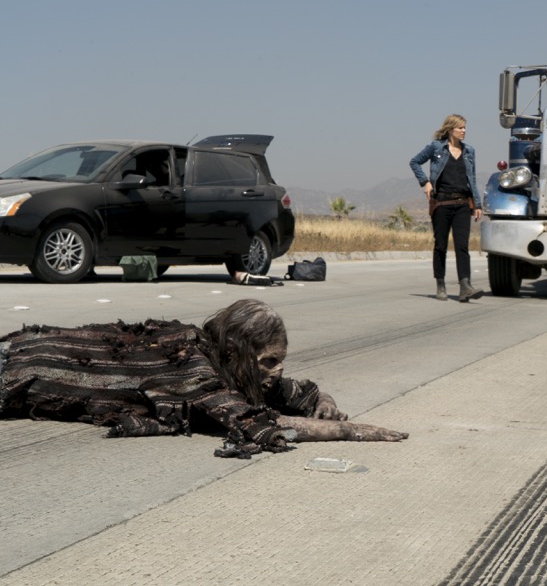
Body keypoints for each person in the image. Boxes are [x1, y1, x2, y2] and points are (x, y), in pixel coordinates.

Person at [0, 299, 408, 458]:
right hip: (14, 368)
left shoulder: (228, 363)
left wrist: (325, 404)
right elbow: (255, 421)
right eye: (267, 362)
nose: (276, 372)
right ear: (236, 353)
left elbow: (299, 391)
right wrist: (351, 432)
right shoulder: (190, 364)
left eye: (280, 361)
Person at [409, 113, 484, 302]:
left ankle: (465, 286)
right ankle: (440, 284)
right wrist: (425, 182)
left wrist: (477, 204)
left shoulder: (469, 151)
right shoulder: (436, 147)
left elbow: (472, 179)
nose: (464, 131)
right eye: (460, 128)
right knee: (440, 246)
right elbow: (415, 161)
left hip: (462, 204)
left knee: (462, 246)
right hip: (441, 204)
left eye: (465, 128)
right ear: (450, 129)